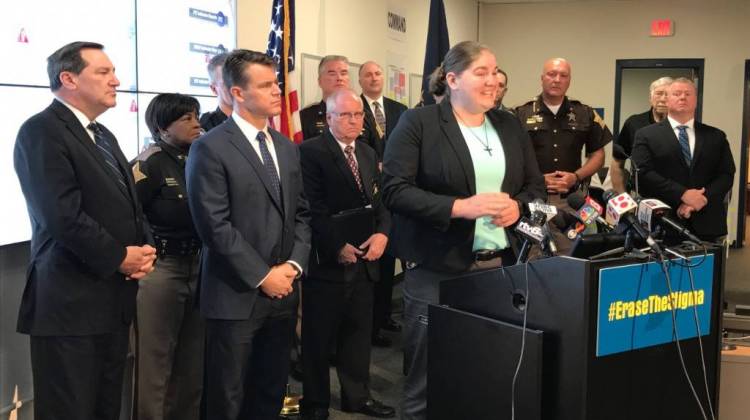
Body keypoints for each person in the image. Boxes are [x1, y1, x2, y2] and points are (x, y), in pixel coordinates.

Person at [381, 41, 546, 420]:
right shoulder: (418, 123)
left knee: (490, 370)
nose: (493, 81)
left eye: (495, 72)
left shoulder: (509, 124)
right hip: (437, 269)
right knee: (426, 378)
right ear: (452, 79)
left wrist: (516, 207)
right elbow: (394, 190)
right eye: (481, 73)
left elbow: (535, 187)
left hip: (501, 268)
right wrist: (459, 207)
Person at [13, 41, 156, 420]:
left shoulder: (103, 135)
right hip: (69, 304)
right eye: (104, 72)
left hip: (111, 301)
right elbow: (61, 215)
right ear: (68, 78)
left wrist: (144, 250)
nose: (117, 81)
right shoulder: (41, 131)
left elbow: (131, 206)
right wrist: (120, 257)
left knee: (105, 408)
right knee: (69, 410)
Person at [185, 49, 312, 420]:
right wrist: (262, 276)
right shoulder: (209, 147)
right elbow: (214, 225)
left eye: (276, 82)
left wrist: (292, 266)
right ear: (237, 93)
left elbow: (302, 214)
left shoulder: (287, 147)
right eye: (267, 84)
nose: (277, 91)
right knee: (227, 396)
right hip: (235, 295)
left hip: (284, 291)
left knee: (270, 390)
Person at [298, 89, 395, 420]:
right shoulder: (310, 153)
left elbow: (382, 203)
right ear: (328, 118)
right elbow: (312, 209)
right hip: (328, 263)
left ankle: (358, 398)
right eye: (345, 115)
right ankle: (315, 404)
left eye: (358, 115)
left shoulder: (367, 153)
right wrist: (336, 246)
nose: (354, 120)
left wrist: (383, 233)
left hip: (366, 262)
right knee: (318, 340)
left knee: (357, 336)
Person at [131, 93, 205, 420]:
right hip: (162, 269)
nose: (196, 123)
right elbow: (129, 215)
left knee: (192, 361)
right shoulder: (148, 163)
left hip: (199, 266)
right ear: (162, 127)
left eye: (196, 115)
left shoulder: (198, 158)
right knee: (155, 362)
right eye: (186, 118)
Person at [514, 58, 612, 252]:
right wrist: (537, 179)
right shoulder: (519, 114)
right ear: (542, 78)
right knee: (532, 256)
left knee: (572, 255)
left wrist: (576, 176)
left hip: (572, 200)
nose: (557, 79)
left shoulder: (585, 113)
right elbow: (510, 159)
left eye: (563, 75)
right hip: (532, 199)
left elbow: (598, 154)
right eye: (551, 74)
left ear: (569, 81)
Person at [631, 77, 735, 243]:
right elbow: (643, 173)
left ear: (695, 100)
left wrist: (699, 200)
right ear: (667, 99)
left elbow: (726, 174)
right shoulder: (646, 135)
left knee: (709, 269)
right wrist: (683, 194)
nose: (682, 97)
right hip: (664, 222)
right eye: (676, 94)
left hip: (708, 222)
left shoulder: (716, 136)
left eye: (688, 94)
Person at [358, 60, 407, 347]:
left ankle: (386, 313)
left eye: (378, 74)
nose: (374, 78)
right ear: (361, 80)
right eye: (368, 74)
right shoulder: (355, 106)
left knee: (392, 259)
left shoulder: (399, 110)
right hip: (370, 192)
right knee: (376, 260)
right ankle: (372, 324)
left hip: (398, 190)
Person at [611, 76, 672, 192]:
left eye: (668, 94)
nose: (663, 99)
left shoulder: (682, 126)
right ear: (650, 98)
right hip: (640, 194)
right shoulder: (633, 123)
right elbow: (616, 163)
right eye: (659, 93)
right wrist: (622, 197)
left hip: (675, 195)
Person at [300, 55, 351, 140]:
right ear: (320, 81)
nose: (339, 78)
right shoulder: (305, 116)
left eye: (343, 73)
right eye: (332, 74)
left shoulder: (361, 115)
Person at [200, 53, 232, 132]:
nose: (238, 87)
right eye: (228, 82)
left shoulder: (260, 118)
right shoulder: (205, 126)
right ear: (214, 89)